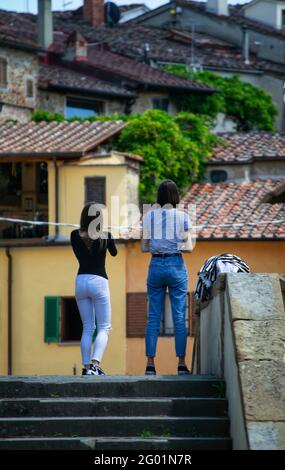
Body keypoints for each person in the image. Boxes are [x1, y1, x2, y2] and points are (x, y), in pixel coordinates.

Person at [142, 180, 192, 376]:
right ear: (176, 196)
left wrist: (158, 246)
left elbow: (143, 247)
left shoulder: (148, 216)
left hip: (155, 265)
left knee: (153, 317)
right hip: (176, 265)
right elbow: (188, 248)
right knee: (179, 317)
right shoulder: (183, 217)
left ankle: (150, 365)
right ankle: (181, 364)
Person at [70, 202, 117, 376]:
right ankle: (95, 365)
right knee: (104, 327)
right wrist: (109, 236)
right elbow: (114, 253)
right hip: (99, 281)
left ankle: (86, 367)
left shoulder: (74, 235)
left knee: (88, 326)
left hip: (81, 280)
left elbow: (78, 250)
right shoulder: (106, 236)